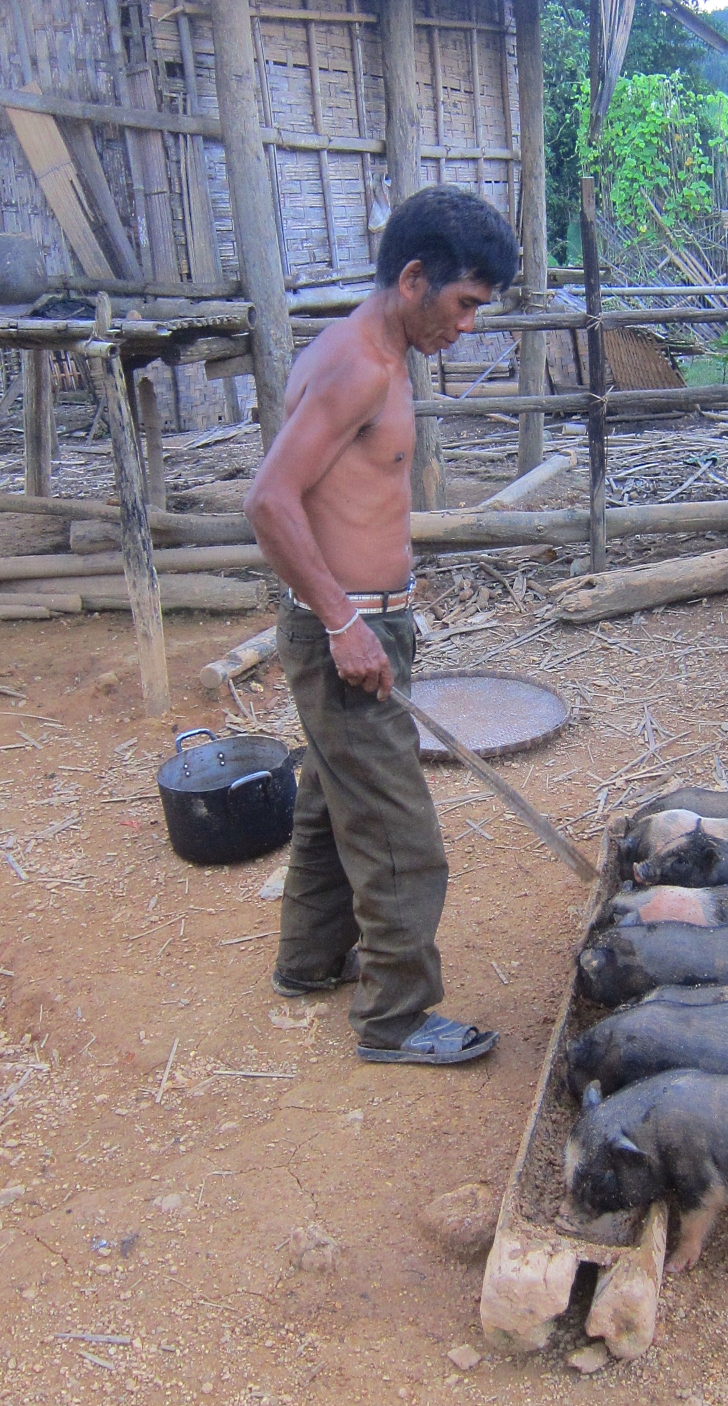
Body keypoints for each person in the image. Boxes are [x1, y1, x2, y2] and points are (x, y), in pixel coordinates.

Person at [244, 186, 518, 1065]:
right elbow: (270, 501)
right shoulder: (361, 365)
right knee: (401, 836)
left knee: (333, 800)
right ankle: (396, 1020)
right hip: (345, 634)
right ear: (413, 278)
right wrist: (346, 623)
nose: (469, 324)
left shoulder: (369, 351)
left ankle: (309, 961)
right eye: (466, 302)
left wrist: (382, 615)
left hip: (362, 626)